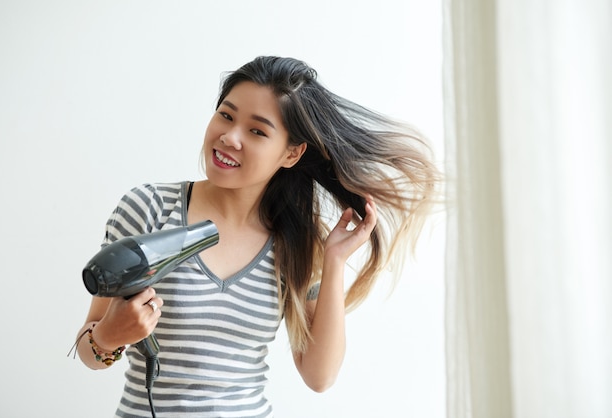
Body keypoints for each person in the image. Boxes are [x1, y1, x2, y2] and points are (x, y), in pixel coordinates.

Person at [73, 56, 440, 417]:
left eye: (257, 131)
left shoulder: (296, 243)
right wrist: (108, 335)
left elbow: (320, 376)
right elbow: (89, 351)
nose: (229, 137)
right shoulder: (149, 209)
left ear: (292, 153)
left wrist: (334, 261)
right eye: (226, 115)